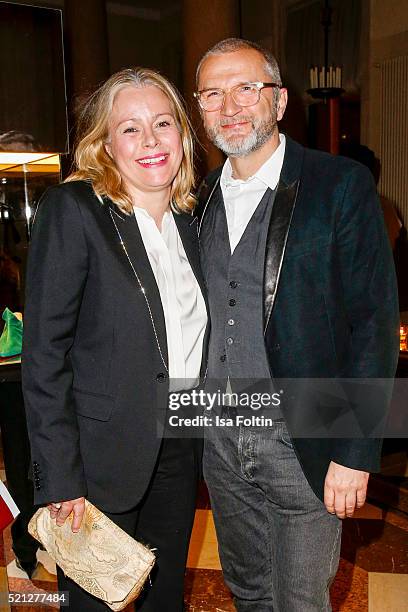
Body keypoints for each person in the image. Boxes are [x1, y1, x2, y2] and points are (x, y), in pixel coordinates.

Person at [194, 38, 399, 611]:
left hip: (305, 432)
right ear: (200, 108)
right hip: (220, 436)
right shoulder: (199, 196)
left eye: (246, 88)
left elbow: (373, 325)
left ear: (279, 101)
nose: (229, 106)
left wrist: (355, 450)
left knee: (301, 602)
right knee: (248, 591)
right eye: (213, 93)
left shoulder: (341, 186)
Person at [22, 67, 208, 611]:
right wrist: (60, 477)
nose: (150, 140)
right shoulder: (76, 210)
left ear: (183, 135)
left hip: (178, 441)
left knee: (164, 596)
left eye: (163, 123)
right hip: (97, 457)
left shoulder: (192, 219)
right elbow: (44, 356)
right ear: (105, 143)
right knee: (95, 603)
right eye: (130, 128)